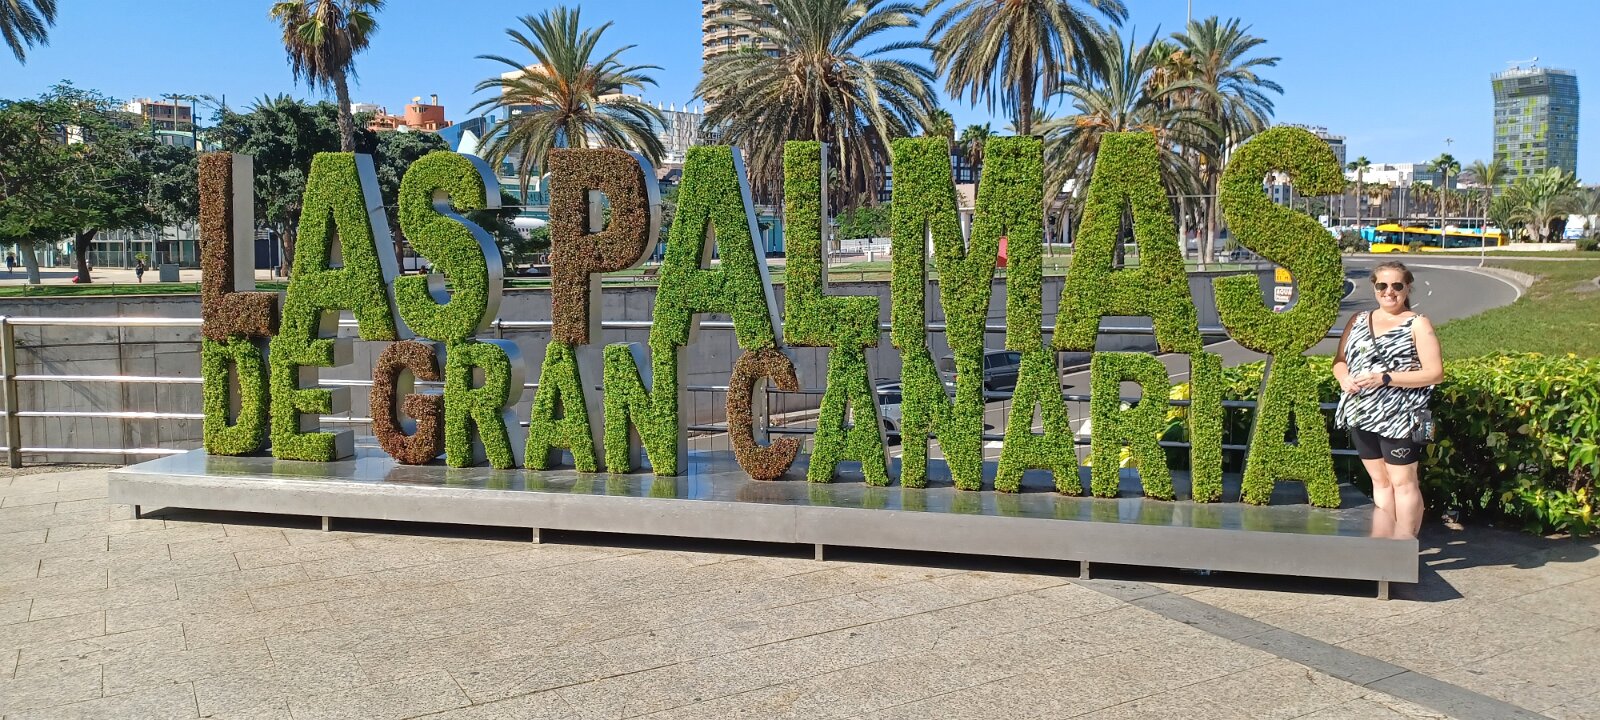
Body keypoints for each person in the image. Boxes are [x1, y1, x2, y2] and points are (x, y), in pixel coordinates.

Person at [1333, 261, 1444, 540]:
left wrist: (1385, 378)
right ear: (1374, 287)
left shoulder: (1417, 323)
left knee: (1403, 482)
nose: (1389, 291)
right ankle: (1383, 545)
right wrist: (1344, 378)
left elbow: (1435, 373)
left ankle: (1404, 545)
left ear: (1407, 288)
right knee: (1380, 482)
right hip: (1361, 412)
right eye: (1382, 285)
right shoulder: (1358, 320)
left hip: (1400, 416)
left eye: (1396, 285)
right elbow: (1340, 361)